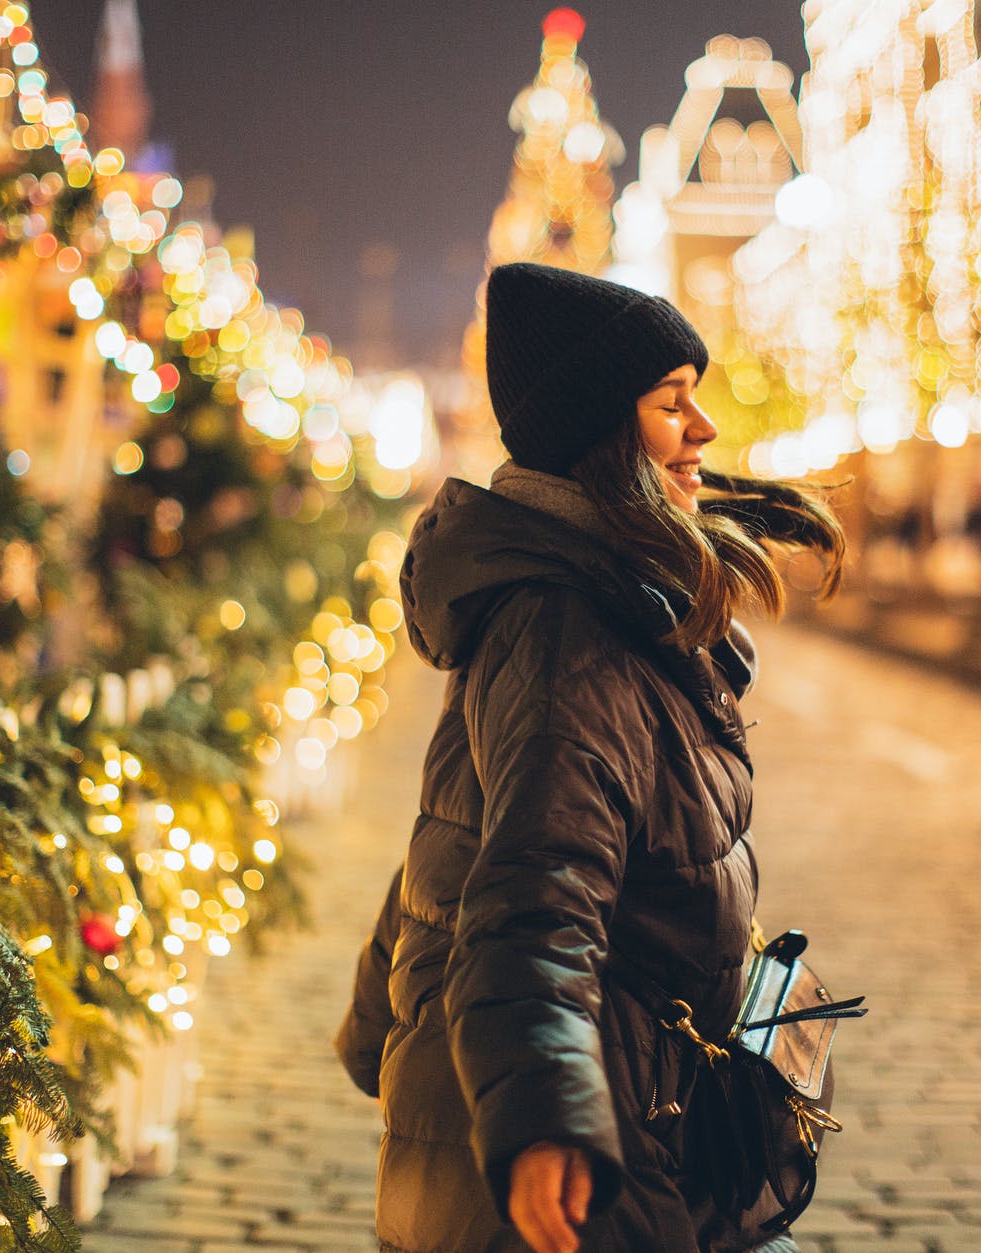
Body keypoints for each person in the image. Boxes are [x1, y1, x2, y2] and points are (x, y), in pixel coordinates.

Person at [335, 263, 846, 1253]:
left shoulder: (582, 591)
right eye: (669, 403)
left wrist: (378, 1016)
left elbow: (467, 838)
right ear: (603, 434)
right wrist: (544, 1117)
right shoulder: (575, 624)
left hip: (617, 1098)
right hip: (602, 1135)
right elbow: (537, 892)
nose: (700, 428)